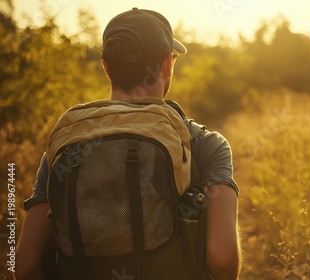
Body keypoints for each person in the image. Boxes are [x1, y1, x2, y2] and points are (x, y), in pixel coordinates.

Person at [15, 8, 241, 280]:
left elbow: (26, 265)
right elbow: (222, 258)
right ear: (168, 64)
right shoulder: (207, 144)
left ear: (106, 67)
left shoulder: (66, 142)